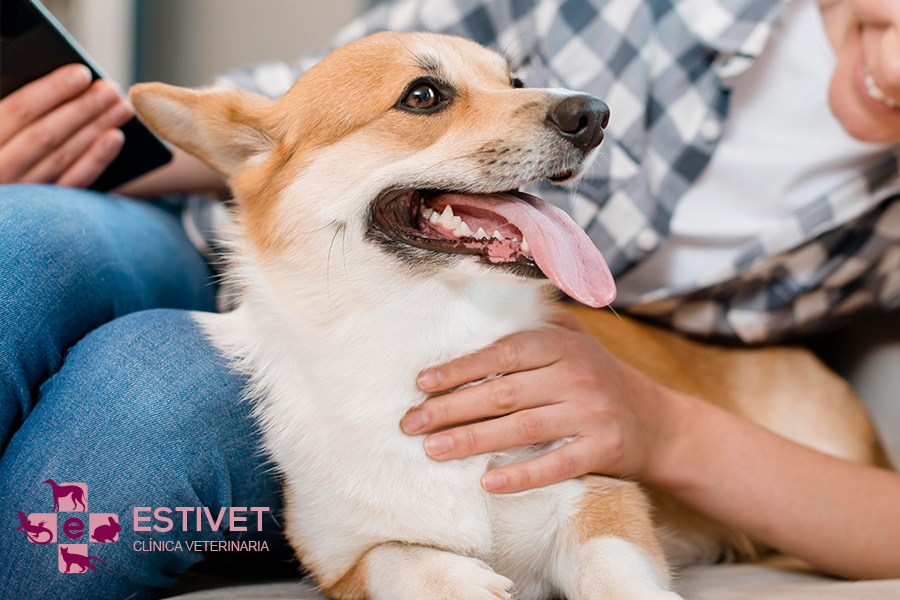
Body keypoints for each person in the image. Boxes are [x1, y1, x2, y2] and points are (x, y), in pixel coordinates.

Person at [0, 0, 898, 598]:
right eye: (436, 95)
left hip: (466, 341)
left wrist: (660, 429)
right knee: (22, 239)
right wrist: (78, 137)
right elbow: (308, 106)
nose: (894, 70)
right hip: (231, 245)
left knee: (129, 409)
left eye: (506, 87)